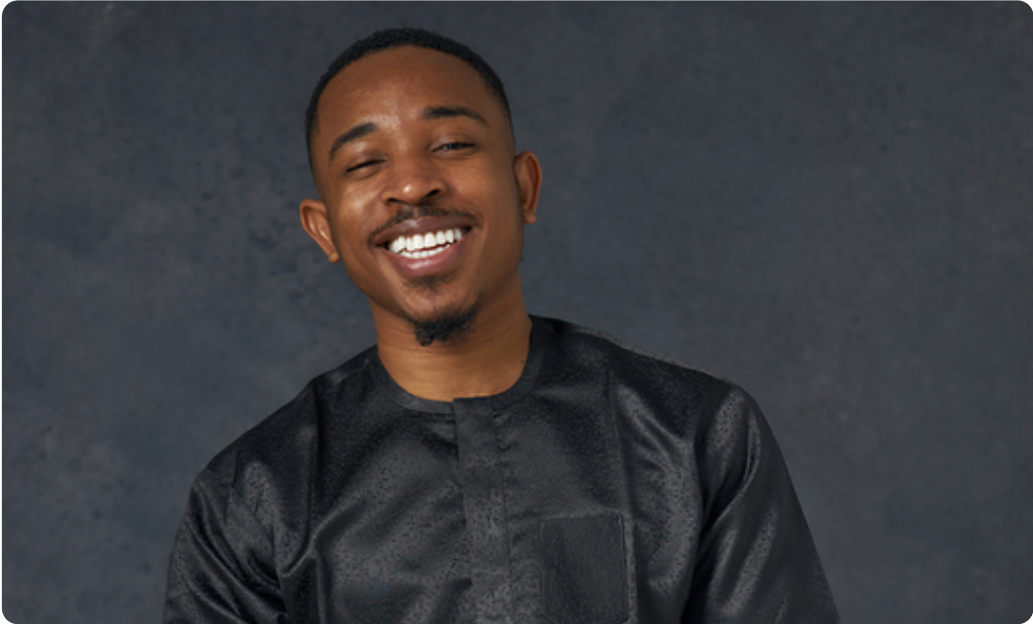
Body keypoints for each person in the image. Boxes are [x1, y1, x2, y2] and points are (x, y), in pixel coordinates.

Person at [163, 27, 840, 623]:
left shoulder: (695, 435)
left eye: (452, 144)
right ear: (324, 229)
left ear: (524, 188)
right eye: (366, 163)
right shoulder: (256, 495)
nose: (413, 185)